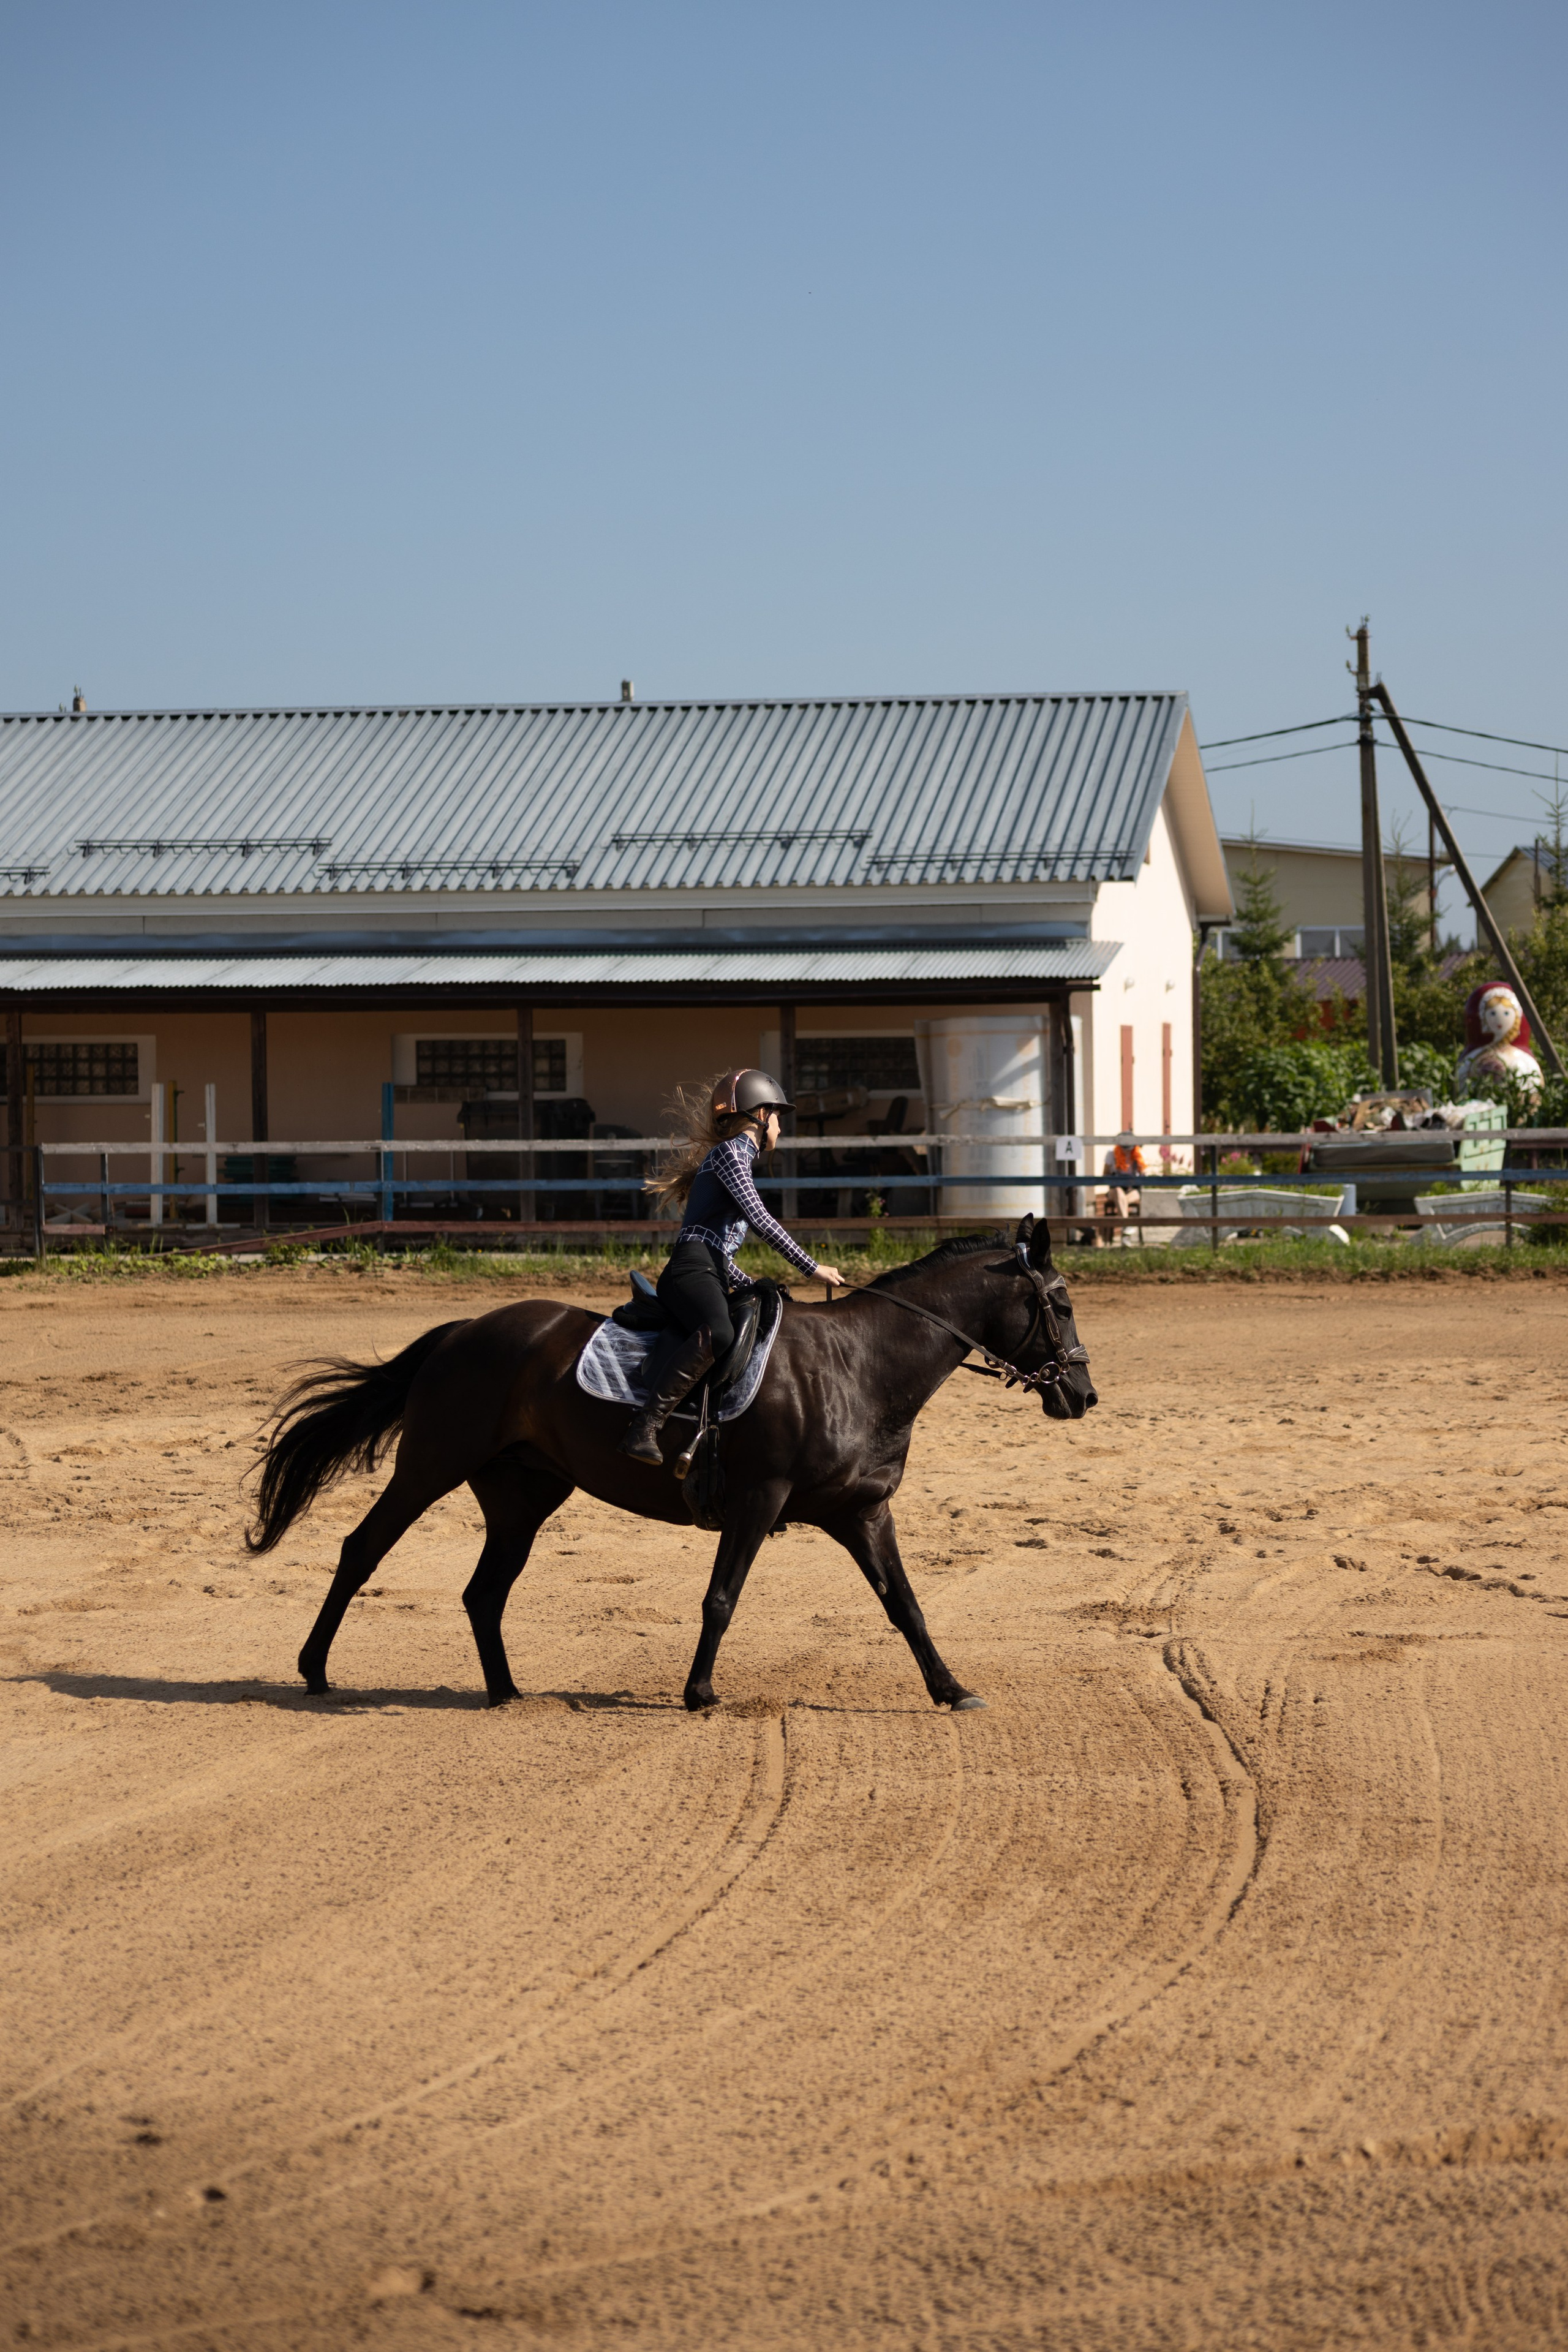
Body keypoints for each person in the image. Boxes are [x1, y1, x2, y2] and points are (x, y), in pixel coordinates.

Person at [619, 1068, 845, 1466]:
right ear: (760, 1115)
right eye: (777, 1117)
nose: (780, 1127)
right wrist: (813, 1269)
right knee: (720, 1332)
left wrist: (753, 1284)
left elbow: (720, 1254)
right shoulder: (730, 1154)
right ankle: (646, 1426)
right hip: (690, 1270)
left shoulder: (737, 1158)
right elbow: (759, 1219)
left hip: (707, 1267)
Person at [1096, 1130, 1145, 1246]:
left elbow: (1143, 1176)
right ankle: (1127, 1228)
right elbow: (1105, 1174)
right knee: (1118, 1193)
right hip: (1115, 1189)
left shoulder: (1139, 1154)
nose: (1127, 1151)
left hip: (1132, 1190)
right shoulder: (1112, 1153)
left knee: (1122, 1200)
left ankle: (1125, 1228)